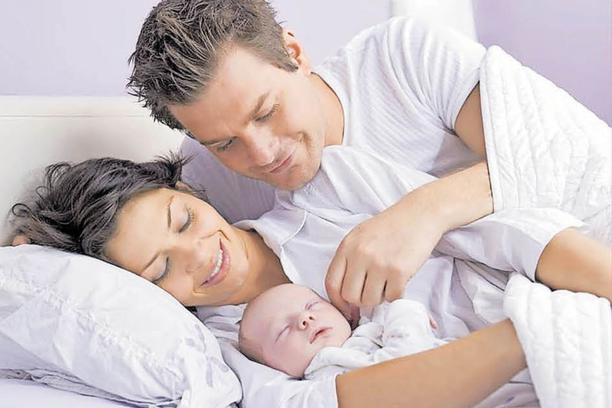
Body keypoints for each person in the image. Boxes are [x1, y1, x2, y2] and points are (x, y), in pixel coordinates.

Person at [11, 151, 611, 407]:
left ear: (188, 189)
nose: (199, 254)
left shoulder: (327, 191)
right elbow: (326, 404)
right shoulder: (225, 353)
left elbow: (506, 234)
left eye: (184, 220)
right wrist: (532, 337)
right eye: (162, 269)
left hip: (574, 289)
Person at [238, 283, 444, 379]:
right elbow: (405, 367)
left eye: (312, 306)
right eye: (283, 330)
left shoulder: (361, 334)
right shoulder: (328, 371)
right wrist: (405, 311)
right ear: (273, 369)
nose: (304, 318)